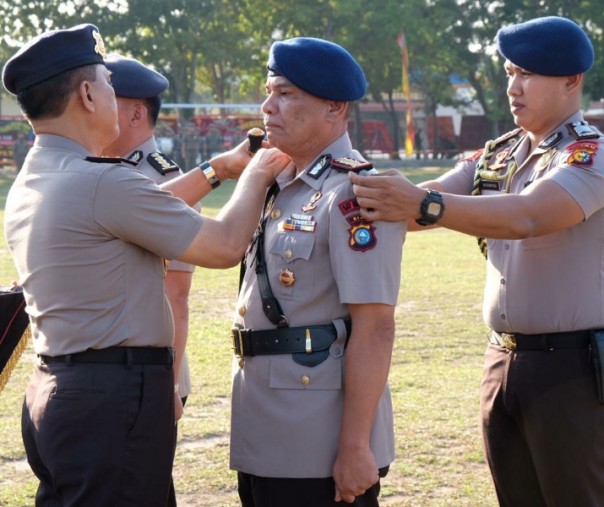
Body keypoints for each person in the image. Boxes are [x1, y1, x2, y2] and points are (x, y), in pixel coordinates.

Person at [1, 24, 289, 507]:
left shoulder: (41, 174)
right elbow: (221, 247)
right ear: (89, 94)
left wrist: (218, 169)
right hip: (110, 400)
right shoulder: (101, 183)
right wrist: (257, 174)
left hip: (58, 391)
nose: (116, 96)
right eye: (109, 84)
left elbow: (134, 211)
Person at [350, 16, 604, 507]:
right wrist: (358, 186)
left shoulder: (589, 154)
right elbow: (425, 203)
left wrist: (425, 205)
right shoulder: (501, 153)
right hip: (502, 360)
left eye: (527, 74)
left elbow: (530, 215)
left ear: (571, 81)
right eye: (509, 73)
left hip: (572, 369)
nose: (513, 87)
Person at [231, 37, 405, 507]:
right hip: (264, 426)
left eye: (286, 94)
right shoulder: (279, 186)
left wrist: (354, 446)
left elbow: (374, 327)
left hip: (319, 438)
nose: (268, 107)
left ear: (334, 108)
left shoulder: (354, 193)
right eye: (268, 92)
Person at [101, 53, 196, 507]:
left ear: (136, 112)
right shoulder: (94, 171)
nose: (90, 105)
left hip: (145, 376)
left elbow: (175, 297)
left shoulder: (166, 184)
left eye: (103, 97)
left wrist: (170, 387)